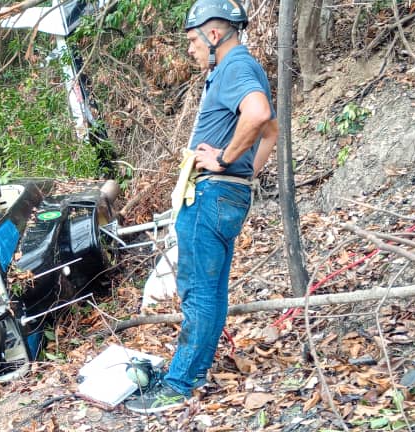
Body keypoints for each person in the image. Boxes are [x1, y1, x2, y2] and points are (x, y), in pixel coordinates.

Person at [126, 0, 278, 414]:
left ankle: (179, 384)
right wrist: (244, 174)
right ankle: (188, 373)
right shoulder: (240, 68)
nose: (190, 48)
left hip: (211, 193)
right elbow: (271, 131)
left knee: (197, 293)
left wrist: (225, 160)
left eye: (193, 39)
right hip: (224, 192)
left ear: (214, 35)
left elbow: (260, 115)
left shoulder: (234, 67)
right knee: (211, 291)